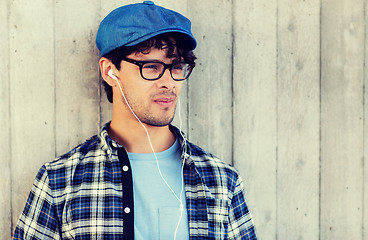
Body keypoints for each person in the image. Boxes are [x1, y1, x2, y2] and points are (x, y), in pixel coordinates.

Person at [13, 1, 257, 239]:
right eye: (151, 66)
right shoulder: (60, 182)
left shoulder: (221, 182)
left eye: (176, 67)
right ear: (110, 71)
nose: (169, 82)